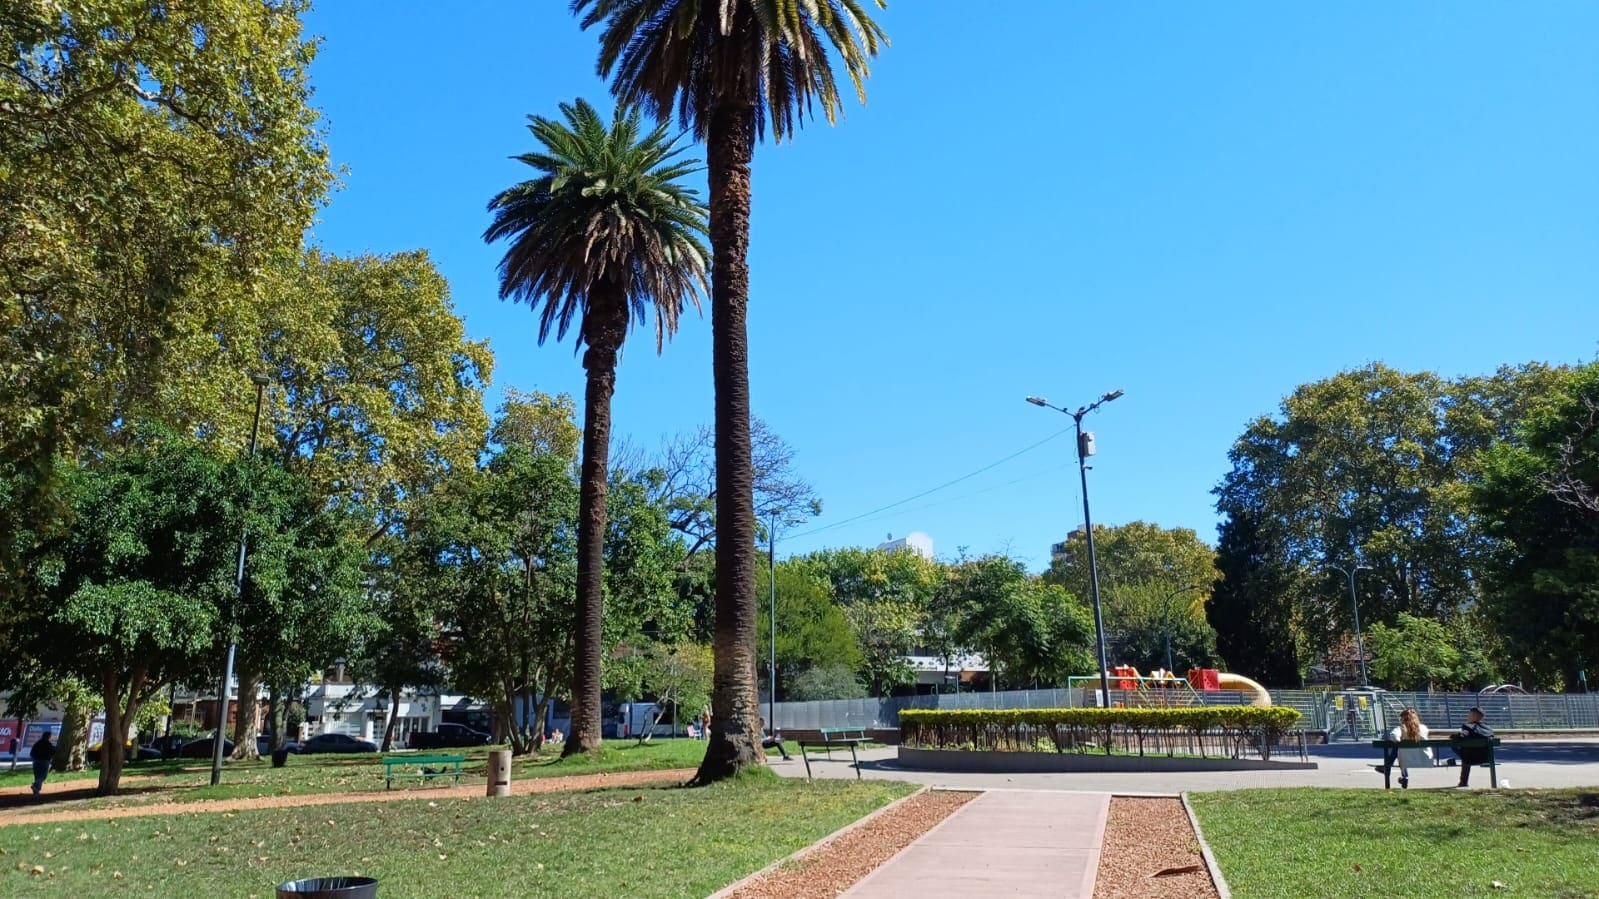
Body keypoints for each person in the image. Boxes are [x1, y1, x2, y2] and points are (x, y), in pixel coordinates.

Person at [1386, 708, 1430, 789]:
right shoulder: (1423, 728)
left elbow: (1394, 737)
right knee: (1402, 750)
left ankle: (1389, 766)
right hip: (1424, 758)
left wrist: (1400, 740)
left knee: (1398, 748)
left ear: (1403, 719)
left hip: (1406, 758)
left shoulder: (1401, 729)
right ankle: (1398, 772)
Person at [1454, 707, 1494, 787]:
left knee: (1460, 748)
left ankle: (1463, 782)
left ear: (1474, 716)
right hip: (1486, 758)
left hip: (1470, 759)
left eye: (1469, 715)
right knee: (1466, 751)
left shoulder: (1467, 726)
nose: (1468, 717)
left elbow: (1462, 735)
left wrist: (1453, 736)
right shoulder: (1488, 728)